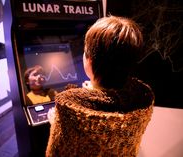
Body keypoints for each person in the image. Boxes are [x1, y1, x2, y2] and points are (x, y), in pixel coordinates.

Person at [46, 15, 155, 156]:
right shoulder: (141, 98)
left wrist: (55, 120)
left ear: (90, 60)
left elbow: (55, 153)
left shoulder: (69, 107)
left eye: (85, 52)